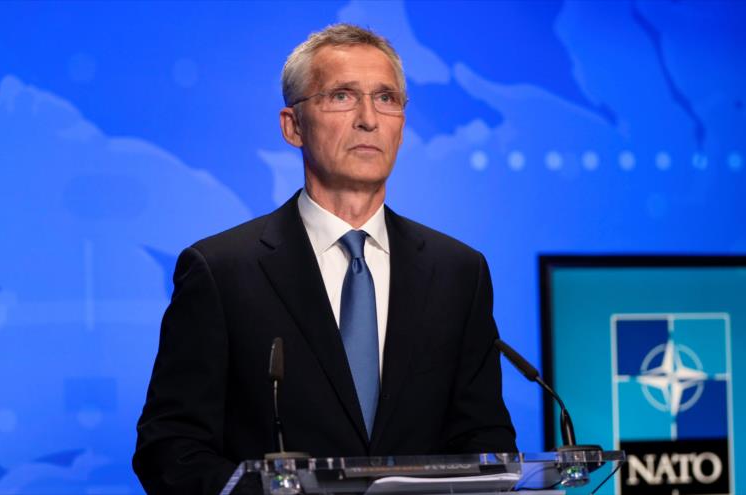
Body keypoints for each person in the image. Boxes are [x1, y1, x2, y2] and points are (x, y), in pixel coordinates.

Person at [133, 23, 516, 494]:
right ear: (293, 126)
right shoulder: (222, 271)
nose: (368, 119)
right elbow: (170, 447)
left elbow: (485, 438)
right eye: (341, 96)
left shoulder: (459, 271)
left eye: (387, 98)